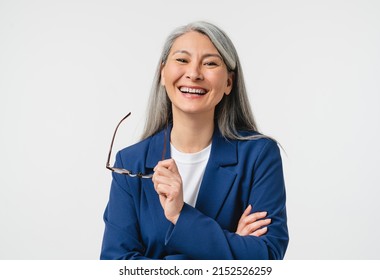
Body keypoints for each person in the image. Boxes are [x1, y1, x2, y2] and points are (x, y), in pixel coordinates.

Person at [100, 21, 288, 260]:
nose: (194, 74)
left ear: (229, 82)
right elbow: (116, 265)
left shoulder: (259, 155)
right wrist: (230, 249)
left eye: (210, 63)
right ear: (162, 73)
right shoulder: (129, 161)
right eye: (182, 60)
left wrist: (180, 215)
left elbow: (267, 259)